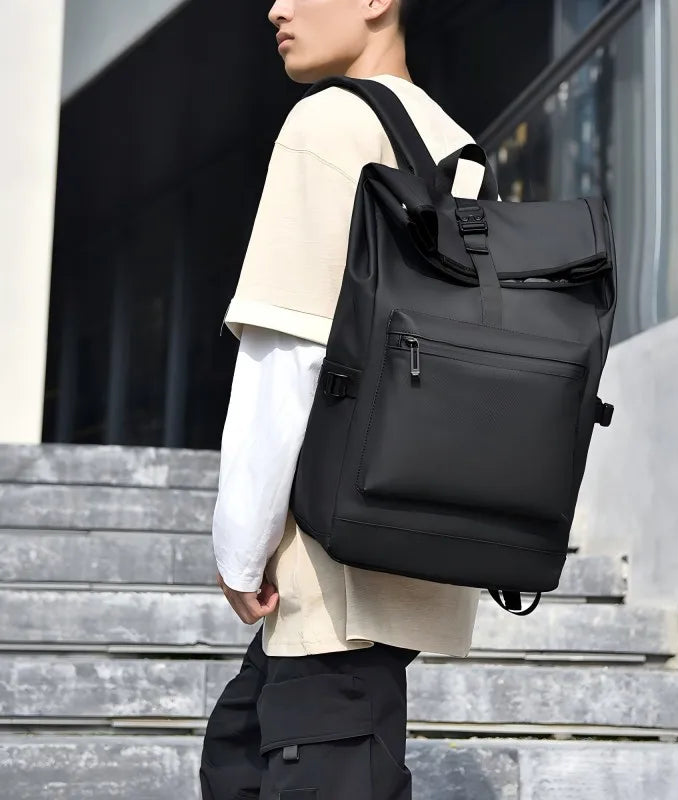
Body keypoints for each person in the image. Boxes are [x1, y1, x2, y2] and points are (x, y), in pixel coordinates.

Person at [199, 1, 487, 797]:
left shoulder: (326, 123)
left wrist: (240, 546)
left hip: (330, 567)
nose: (276, 8)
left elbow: (289, 352)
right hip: (405, 539)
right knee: (237, 746)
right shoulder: (458, 147)